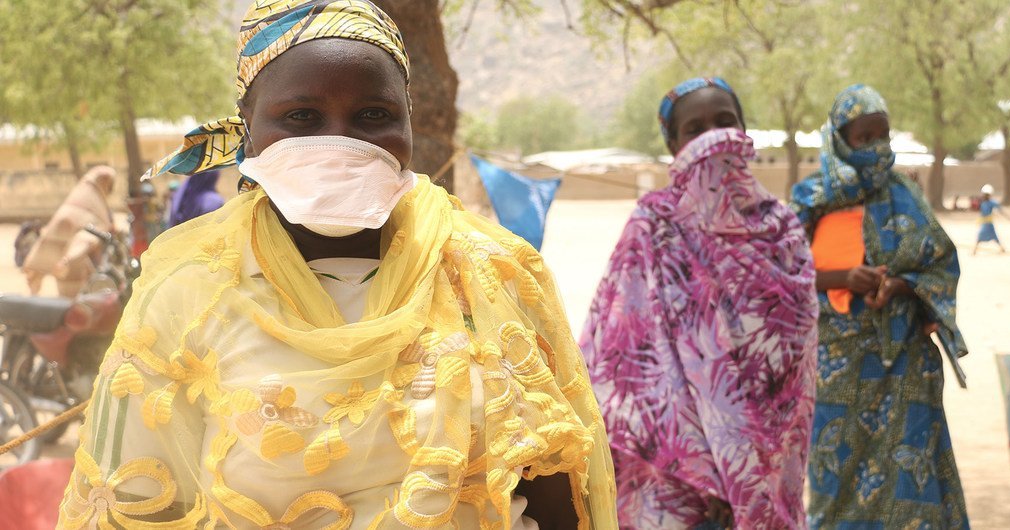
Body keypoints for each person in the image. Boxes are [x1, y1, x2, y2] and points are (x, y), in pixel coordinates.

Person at [57, 2, 618, 528]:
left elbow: (555, 479)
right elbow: (133, 499)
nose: (340, 142)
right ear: (247, 125)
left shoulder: (491, 271)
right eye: (302, 115)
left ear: (408, 124)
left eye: (373, 115)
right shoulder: (189, 286)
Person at [579, 77, 820, 529]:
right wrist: (708, 471)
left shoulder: (780, 228)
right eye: (695, 129)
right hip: (675, 471)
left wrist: (747, 469)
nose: (712, 137)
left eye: (724, 122)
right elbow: (624, 358)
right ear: (673, 145)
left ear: (745, 130)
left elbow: (795, 366)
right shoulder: (654, 226)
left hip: (768, 465)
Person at [791, 84, 969, 529]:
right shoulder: (810, 199)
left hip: (905, 365)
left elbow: (940, 263)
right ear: (838, 138)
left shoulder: (905, 192)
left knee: (910, 477)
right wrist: (842, 279)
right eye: (863, 137)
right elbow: (781, 277)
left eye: (882, 135)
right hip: (837, 367)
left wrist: (901, 285)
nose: (875, 147)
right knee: (838, 478)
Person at [21, 165, 116, 298]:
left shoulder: (80, 195)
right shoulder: (95, 202)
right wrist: (67, 260)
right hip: (75, 263)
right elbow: (91, 236)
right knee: (74, 301)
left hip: (64, 258)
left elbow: (46, 242)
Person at [972, 183, 1010, 255]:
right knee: (988, 236)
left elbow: (1000, 210)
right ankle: (1002, 248)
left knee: (983, 235)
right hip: (984, 222)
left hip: (988, 223)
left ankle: (974, 250)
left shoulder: (992, 202)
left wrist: (1007, 217)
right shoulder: (982, 202)